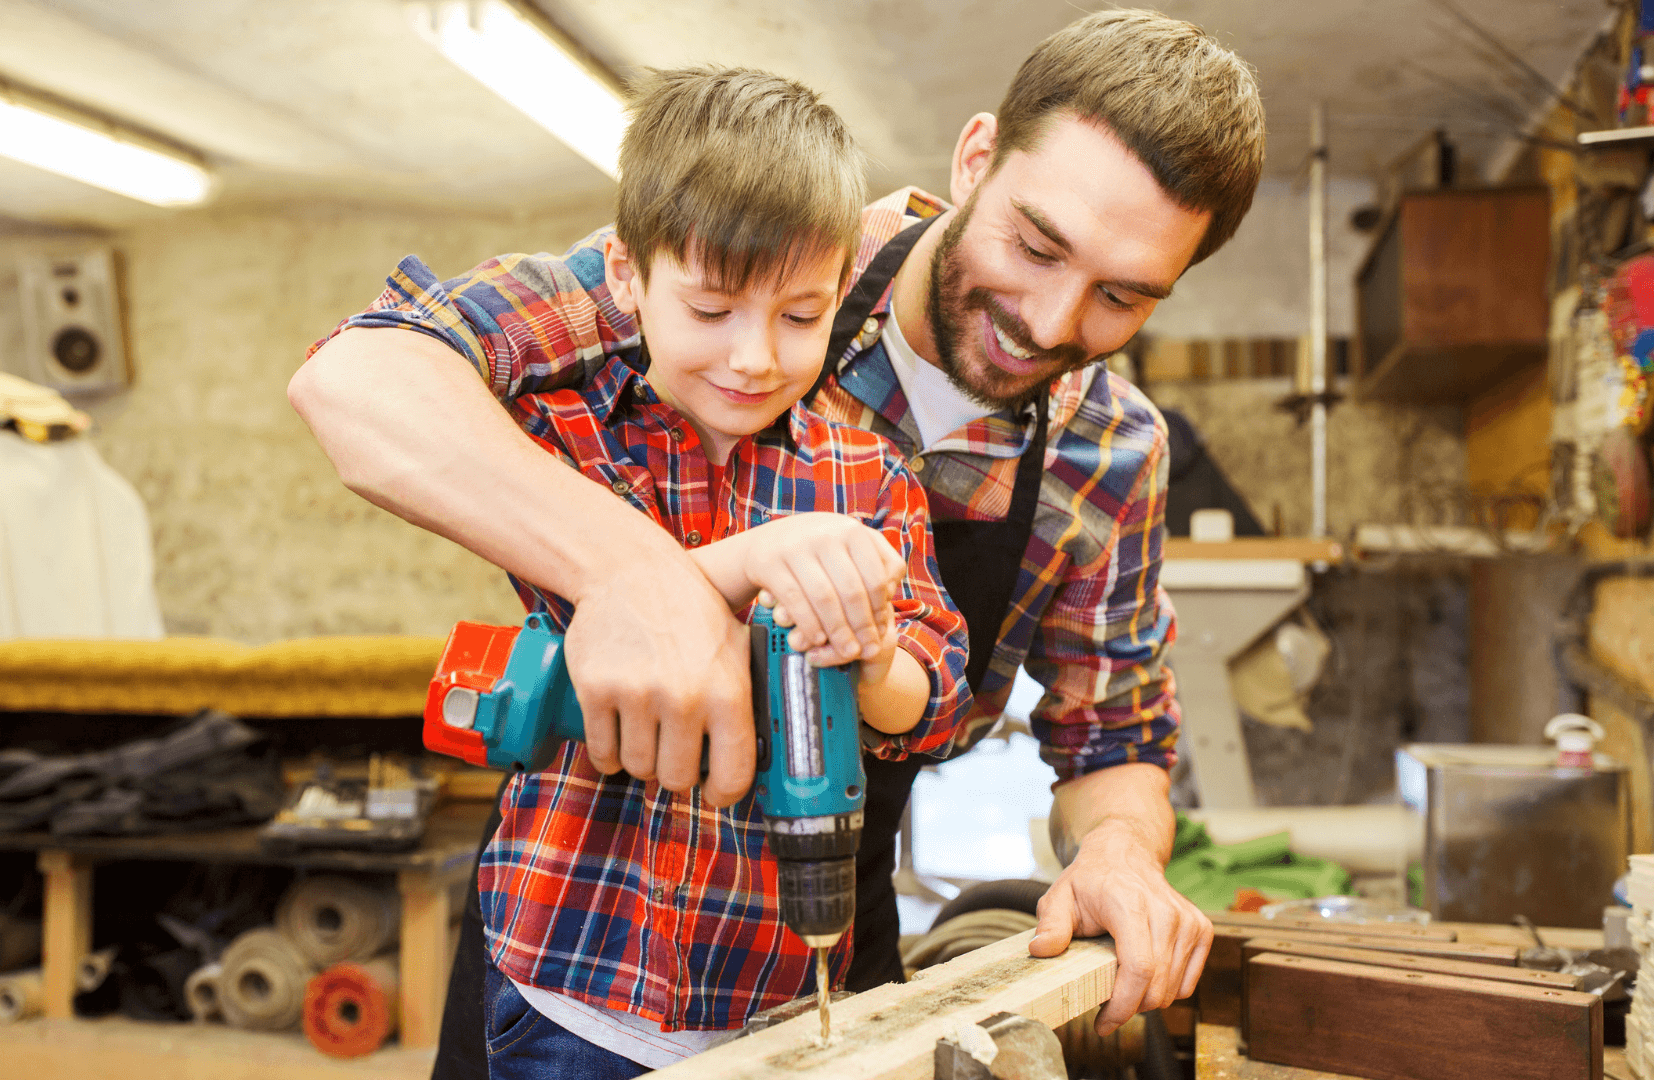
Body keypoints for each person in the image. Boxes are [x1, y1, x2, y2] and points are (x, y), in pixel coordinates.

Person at [291, 8, 1266, 1071]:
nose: (1051, 320)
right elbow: (365, 378)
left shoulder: (1112, 452)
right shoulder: (765, 248)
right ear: (977, 158)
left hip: (814, 938)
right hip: (580, 918)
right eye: (1035, 246)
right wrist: (643, 577)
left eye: (1121, 297)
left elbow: (1114, 739)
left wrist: (1121, 852)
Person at [386, 68, 972, 1078]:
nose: (754, 358)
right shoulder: (562, 437)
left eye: (801, 317)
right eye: (711, 309)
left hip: (774, 994)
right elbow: (589, 609)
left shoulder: (868, 477)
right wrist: (750, 562)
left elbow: (939, 703)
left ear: (841, 292)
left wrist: (872, 657)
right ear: (627, 275)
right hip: (570, 974)